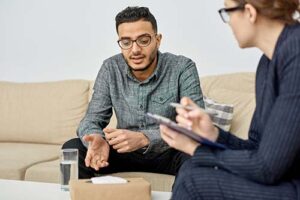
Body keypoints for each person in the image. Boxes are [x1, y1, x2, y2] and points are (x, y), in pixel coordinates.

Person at [160, 0, 300, 199]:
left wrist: (195, 148)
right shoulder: (267, 63)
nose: (228, 22)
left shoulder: (295, 53)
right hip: (285, 180)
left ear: (250, 12)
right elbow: (256, 147)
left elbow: (267, 167)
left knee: (194, 181)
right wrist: (214, 135)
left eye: (228, 12)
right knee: (191, 167)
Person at [62, 6, 205, 178]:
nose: (135, 50)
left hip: (169, 151)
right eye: (126, 42)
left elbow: (194, 127)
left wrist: (145, 138)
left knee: (199, 153)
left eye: (143, 40)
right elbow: (91, 119)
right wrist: (96, 138)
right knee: (73, 147)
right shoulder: (110, 68)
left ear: (157, 40)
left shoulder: (182, 67)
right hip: (123, 152)